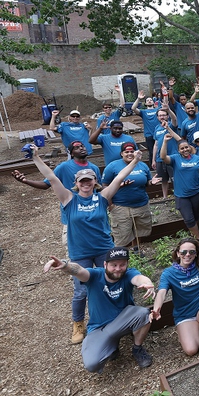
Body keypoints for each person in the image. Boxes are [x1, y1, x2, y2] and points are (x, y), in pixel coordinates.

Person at [30, 144, 141, 344]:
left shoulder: (103, 197)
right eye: (82, 181)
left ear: (95, 182)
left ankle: (119, 315)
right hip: (80, 252)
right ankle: (78, 323)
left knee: (113, 282)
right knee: (81, 290)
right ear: (76, 183)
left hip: (104, 250)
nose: (86, 184)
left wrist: (134, 161)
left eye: (89, 180)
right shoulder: (68, 199)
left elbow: (119, 178)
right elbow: (52, 178)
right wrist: (36, 158)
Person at [43, 248, 155, 372]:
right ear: (105, 264)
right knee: (92, 364)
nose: (118, 268)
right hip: (99, 327)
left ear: (127, 264)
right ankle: (112, 346)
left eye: (122, 264)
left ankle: (137, 349)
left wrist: (147, 283)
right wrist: (65, 265)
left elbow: (139, 278)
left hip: (123, 320)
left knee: (144, 313)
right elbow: (79, 270)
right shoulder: (95, 275)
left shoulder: (129, 274)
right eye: (114, 265)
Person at [152, 214, 199, 355]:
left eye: (192, 252)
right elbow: (162, 292)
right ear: (178, 253)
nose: (188, 255)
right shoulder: (169, 273)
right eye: (184, 252)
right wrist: (157, 308)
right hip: (185, 314)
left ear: (196, 253)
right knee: (191, 350)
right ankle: (192, 330)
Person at [102, 142, 157, 251]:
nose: (129, 154)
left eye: (132, 151)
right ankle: (120, 255)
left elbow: (146, 183)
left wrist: (151, 182)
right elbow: (105, 186)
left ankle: (136, 249)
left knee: (139, 230)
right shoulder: (113, 166)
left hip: (141, 204)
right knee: (122, 234)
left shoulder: (142, 165)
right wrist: (110, 204)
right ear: (121, 153)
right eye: (126, 152)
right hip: (121, 206)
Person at [161, 133, 199, 242]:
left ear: (190, 148)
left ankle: (195, 234)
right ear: (178, 150)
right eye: (182, 148)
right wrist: (165, 141)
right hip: (182, 195)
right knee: (188, 219)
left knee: (195, 217)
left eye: (186, 147)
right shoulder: (175, 159)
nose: (185, 150)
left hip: (197, 193)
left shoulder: (197, 159)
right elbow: (163, 157)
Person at [12, 141, 101, 191]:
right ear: (71, 153)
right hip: (71, 209)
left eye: (82, 146)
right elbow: (46, 184)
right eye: (77, 148)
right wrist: (26, 181)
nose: (81, 148)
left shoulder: (94, 168)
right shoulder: (64, 167)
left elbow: (99, 188)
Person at [131, 91, 161, 157]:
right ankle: (152, 166)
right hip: (149, 135)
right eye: (147, 100)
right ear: (145, 103)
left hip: (159, 133)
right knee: (151, 153)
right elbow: (133, 108)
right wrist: (138, 98)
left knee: (160, 151)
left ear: (153, 102)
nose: (149, 101)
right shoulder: (143, 112)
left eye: (151, 100)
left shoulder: (158, 110)